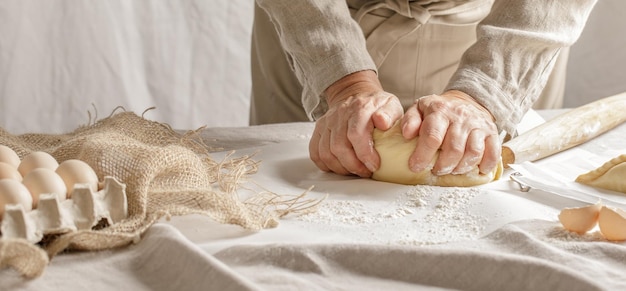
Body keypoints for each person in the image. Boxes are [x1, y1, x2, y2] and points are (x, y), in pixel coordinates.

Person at [250, 0, 597, 179]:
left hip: (505, 35)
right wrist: (344, 81)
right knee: (294, 197)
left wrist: (483, 94)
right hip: (313, 28)